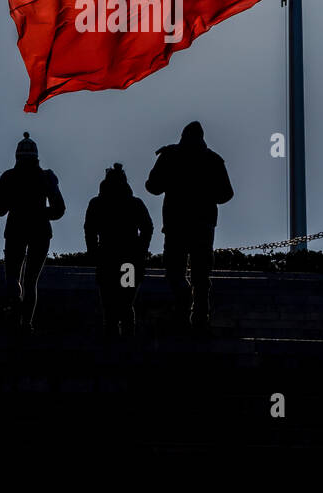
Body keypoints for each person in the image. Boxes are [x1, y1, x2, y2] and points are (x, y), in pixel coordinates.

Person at [145, 121, 233, 333]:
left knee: (175, 271)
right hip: (202, 224)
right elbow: (226, 194)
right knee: (201, 274)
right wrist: (207, 194)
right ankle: (200, 314)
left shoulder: (170, 156)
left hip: (177, 224)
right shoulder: (212, 160)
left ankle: (185, 305)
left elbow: (152, 186)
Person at [0, 132, 65, 332]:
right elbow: (59, 209)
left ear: (17, 156)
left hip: (15, 228)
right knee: (31, 281)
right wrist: (41, 213)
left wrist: (15, 204)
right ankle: (26, 324)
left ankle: (14, 315)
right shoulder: (47, 177)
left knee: (13, 276)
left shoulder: (8, 177)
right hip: (41, 231)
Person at [84, 163, 154, 337]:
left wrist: (93, 252)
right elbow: (147, 227)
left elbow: (89, 230)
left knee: (109, 305)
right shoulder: (134, 203)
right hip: (129, 261)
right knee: (126, 302)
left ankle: (112, 342)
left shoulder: (97, 203)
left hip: (106, 259)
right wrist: (142, 250)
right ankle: (128, 342)